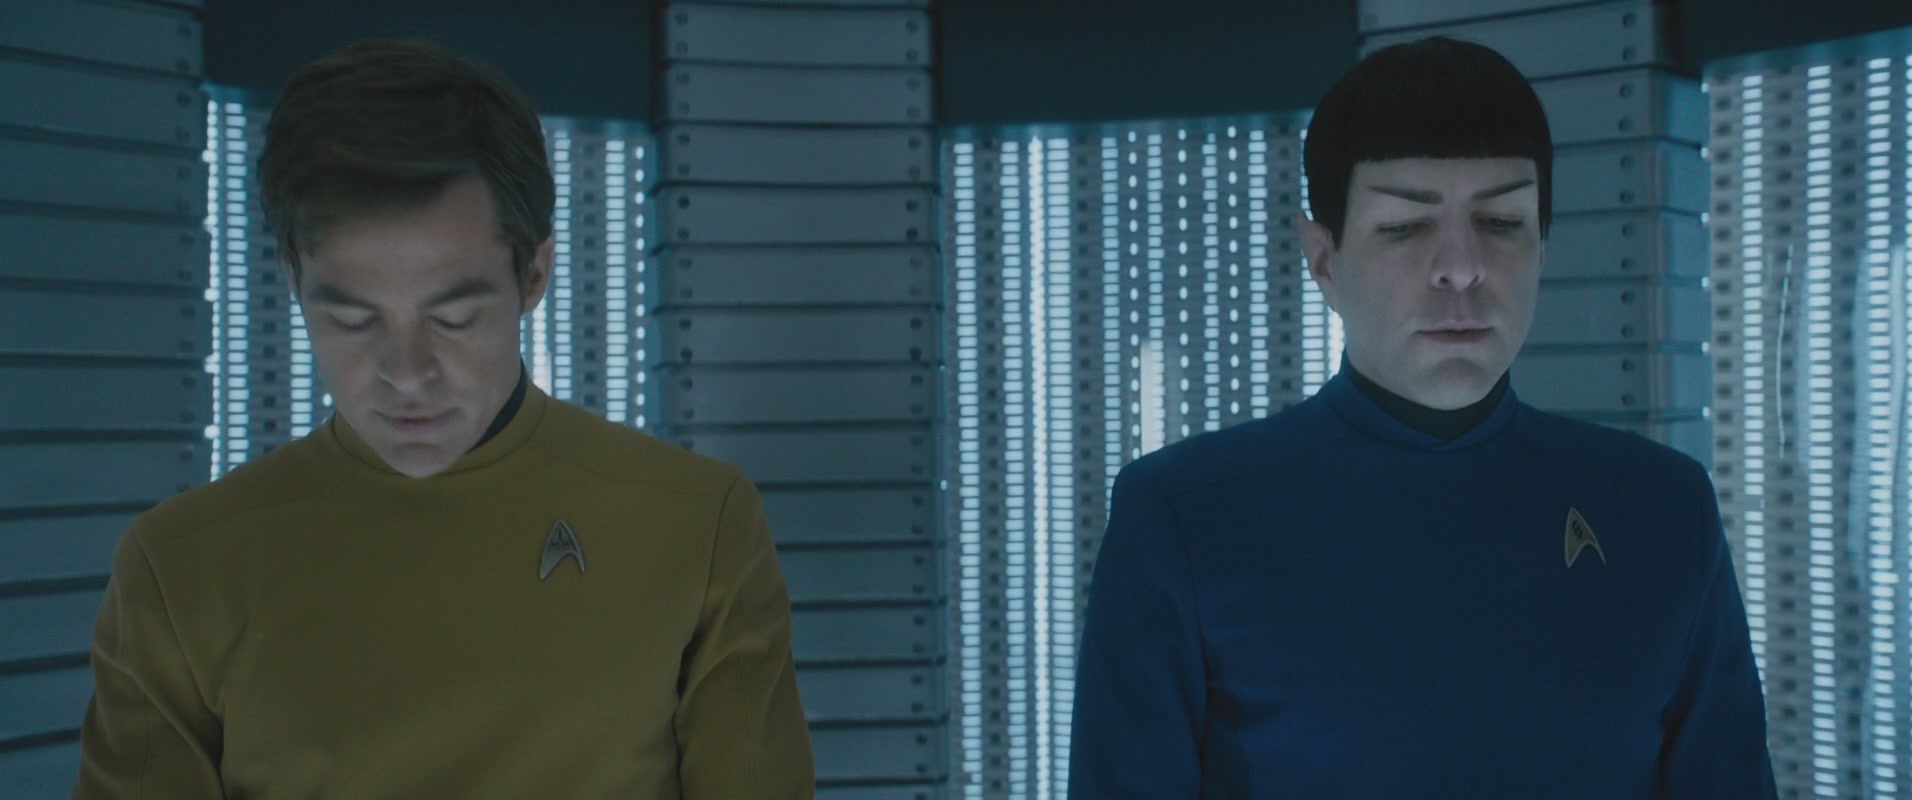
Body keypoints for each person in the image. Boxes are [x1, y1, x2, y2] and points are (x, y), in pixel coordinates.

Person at [74, 39, 814, 798]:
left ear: (534, 275)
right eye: (354, 320)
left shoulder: (698, 526)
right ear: (295, 282)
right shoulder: (181, 569)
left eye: (454, 318)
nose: (406, 374)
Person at [1068, 36, 1775, 798]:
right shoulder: (1182, 520)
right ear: (1323, 258)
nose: (1461, 267)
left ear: (1542, 246)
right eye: (1405, 227)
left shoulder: (1663, 511)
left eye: (1500, 221)